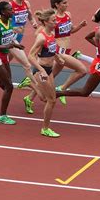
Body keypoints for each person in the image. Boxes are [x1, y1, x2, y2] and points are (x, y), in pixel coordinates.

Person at [22, 0, 88, 112]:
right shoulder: (52, 19)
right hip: (58, 52)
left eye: (67, 2)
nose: (67, 5)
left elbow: (71, 31)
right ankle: (62, 88)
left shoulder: (68, 15)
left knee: (47, 82)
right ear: (56, 4)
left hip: (64, 52)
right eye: (64, 3)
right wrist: (50, 45)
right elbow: (39, 34)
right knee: (82, 70)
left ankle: (29, 96)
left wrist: (80, 26)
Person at [0, 1, 24, 125]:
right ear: (2, 12)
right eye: (10, 10)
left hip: (4, 55)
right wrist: (7, 45)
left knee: (6, 85)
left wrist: (16, 45)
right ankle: (2, 116)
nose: (13, 11)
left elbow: (9, 36)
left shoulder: (9, 21)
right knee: (9, 86)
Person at [27, 9, 62, 137]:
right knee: (52, 100)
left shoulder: (51, 34)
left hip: (49, 70)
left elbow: (51, 49)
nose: (56, 22)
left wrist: (57, 57)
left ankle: (30, 84)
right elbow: (30, 56)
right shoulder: (41, 37)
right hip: (40, 70)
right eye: (53, 21)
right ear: (46, 22)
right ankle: (45, 129)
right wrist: (41, 70)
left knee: (44, 98)